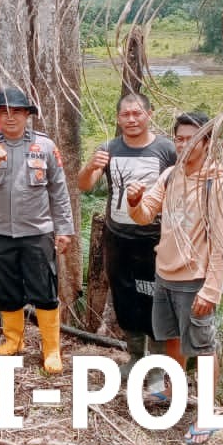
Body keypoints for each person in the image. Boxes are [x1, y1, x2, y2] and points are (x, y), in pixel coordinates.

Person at [126, 112, 223, 445]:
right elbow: (146, 215)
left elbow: (221, 242)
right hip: (165, 272)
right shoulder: (171, 176)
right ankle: (174, 390)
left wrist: (211, 289)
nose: (184, 143)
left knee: (202, 347)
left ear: (207, 142)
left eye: (191, 137)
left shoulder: (217, 184)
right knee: (172, 337)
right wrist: (133, 201)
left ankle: (207, 414)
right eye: (179, 138)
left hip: (196, 278)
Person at [0, 88, 75, 374]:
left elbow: (59, 190)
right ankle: (13, 342)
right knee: (7, 290)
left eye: (17, 112)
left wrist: (64, 230)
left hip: (37, 232)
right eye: (4, 112)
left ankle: (51, 349)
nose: (10, 117)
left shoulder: (43, 146)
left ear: (26, 115)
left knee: (45, 292)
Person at [76, 94, 176, 382]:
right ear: (118, 119)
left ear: (149, 114)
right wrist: (90, 165)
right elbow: (84, 185)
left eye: (137, 114)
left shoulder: (166, 150)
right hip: (117, 237)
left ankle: (157, 367)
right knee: (125, 297)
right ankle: (134, 357)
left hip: (154, 239)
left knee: (155, 300)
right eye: (125, 115)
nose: (131, 120)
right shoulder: (109, 148)